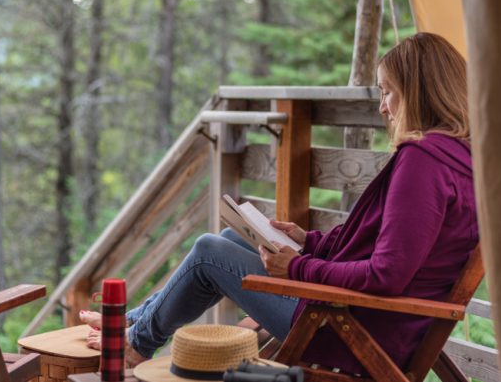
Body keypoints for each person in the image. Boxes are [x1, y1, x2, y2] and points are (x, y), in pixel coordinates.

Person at [80, 32, 479, 375]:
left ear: (419, 90)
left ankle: (135, 344)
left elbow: (387, 274)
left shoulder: (423, 162)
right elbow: (391, 245)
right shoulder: (462, 160)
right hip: (381, 323)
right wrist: (308, 242)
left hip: (348, 330)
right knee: (226, 239)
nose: (383, 105)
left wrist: (297, 266)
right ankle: (134, 324)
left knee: (208, 253)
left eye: (388, 91)